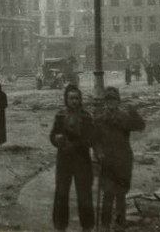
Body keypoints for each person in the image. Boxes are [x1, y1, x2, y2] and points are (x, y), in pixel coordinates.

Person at [94, 87, 146, 231]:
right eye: (108, 99)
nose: (111, 102)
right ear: (105, 102)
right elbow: (95, 140)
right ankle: (104, 224)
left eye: (114, 99)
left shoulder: (124, 118)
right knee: (108, 192)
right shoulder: (99, 120)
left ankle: (120, 222)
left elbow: (140, 126)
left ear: (118, 101)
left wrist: (133, 112)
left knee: (121, 192)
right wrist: (98, 153)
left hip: (123, 160)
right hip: (107, 161)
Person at [50, 84, 95, 232]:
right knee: (61, 193)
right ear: (66, 99)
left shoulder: (87, 117)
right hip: (64, 160)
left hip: (82, 160)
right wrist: (56, 139)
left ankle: (87, 227)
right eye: (71, 98)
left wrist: (74, 145)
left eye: (76, 98)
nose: (74, 101)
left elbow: (90, 138)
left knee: (84, 194)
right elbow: (52, 135)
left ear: (80, 99)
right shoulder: (60, 115)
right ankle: (60, 226)